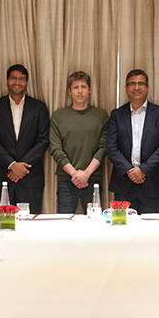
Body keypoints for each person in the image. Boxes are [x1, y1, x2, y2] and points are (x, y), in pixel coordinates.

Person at [0, 64, 50, 213]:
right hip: (1, 175)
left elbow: (43, 140)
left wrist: (22, 167)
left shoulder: (39, 107)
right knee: (2, 222)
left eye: (21, 79)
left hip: (30, 177)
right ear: (7, 81)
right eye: (13, 78)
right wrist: (12, 164)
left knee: (30, 223)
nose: (17, 82)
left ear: (27, 82)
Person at [107, 69, 159, 214]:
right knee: (122, 225)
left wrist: (143, 170)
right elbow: (111, 147)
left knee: (150, 227)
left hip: (152, 184)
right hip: (123, 184)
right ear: (126, 88)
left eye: (141, 84)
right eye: (132, 84)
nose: (137, 88)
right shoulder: (117, 115)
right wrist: (129, 170)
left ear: (147, 88)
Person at [50, 71, 109, 214]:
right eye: (76, 87)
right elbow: (56, 149)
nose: (80, 91)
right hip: (66, 179)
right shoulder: (58, 116)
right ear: (70, 91)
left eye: (84, 87)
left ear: (90, 90)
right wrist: (75, 174)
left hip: (93, 177)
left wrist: (86, 174)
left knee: (94, 222)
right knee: (65, 222)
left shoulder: (101, 116)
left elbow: (103, 148)